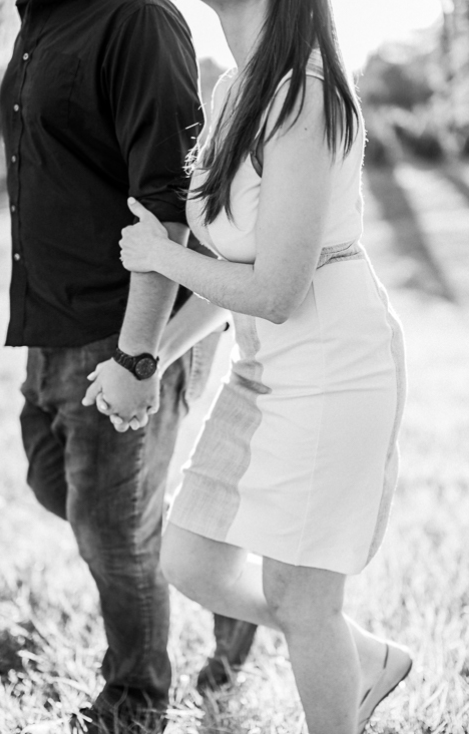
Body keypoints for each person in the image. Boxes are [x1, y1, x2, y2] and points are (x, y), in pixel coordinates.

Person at [118, 0, 410, 731]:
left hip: (333, 366)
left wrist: (161, 256)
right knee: (190, 559)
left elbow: (276, 291)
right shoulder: (232, 90)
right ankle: (360, 655)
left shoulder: (305, 96)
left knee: (302, 596)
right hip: (263, 370)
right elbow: (232, 278)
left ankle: (334, 663)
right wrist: (152, 359)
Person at [0, 0, 256, 730]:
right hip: (46, 323)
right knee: (64, 491)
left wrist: (137, 354)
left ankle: (135, 700)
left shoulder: (138, 17)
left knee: (111, 526)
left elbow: (168, 201)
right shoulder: (36, 24)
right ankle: (222, 580)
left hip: (125, 328)